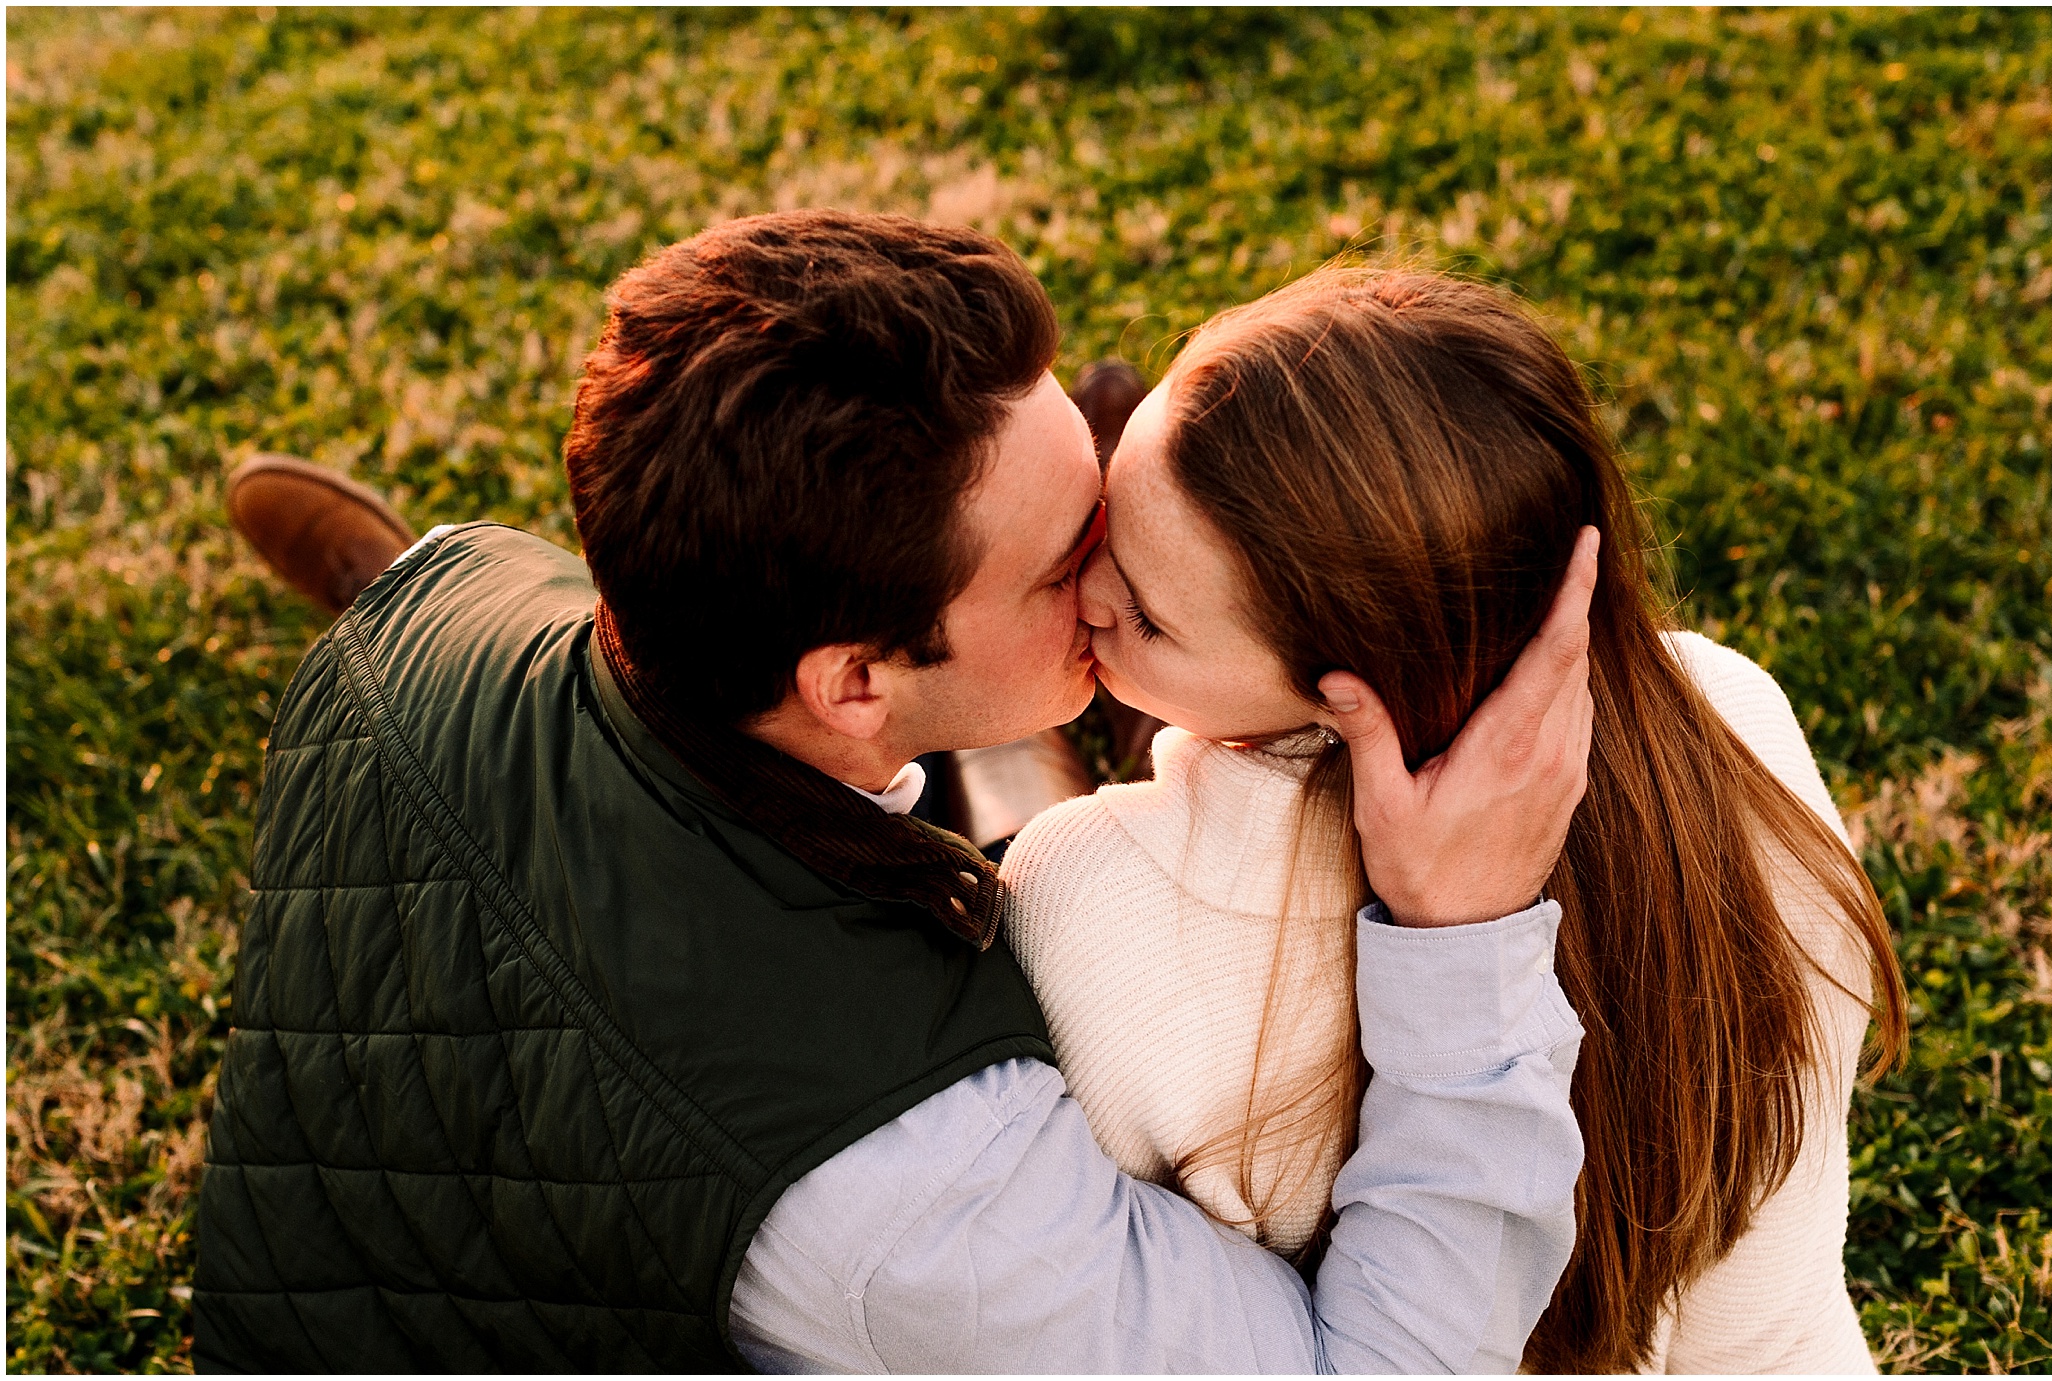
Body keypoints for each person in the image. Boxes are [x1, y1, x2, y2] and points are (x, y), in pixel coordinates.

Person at [195, 210, 1594, 1373]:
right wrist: (1463, 941)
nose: (1114, 567)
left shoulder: (447, 596)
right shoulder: (913, 1188)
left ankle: (1004, 739)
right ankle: (1020, 758)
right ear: (854, 681)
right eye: (1071, 562)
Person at [1000, 264, 1908, 1373]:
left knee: (1015, 777)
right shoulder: (1735, 725)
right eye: (1108, 511)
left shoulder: (1093, 900)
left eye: (1141, 612)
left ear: (1355, 691)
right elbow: (1773, 1309)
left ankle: (1006, 748)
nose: (1085, 592)